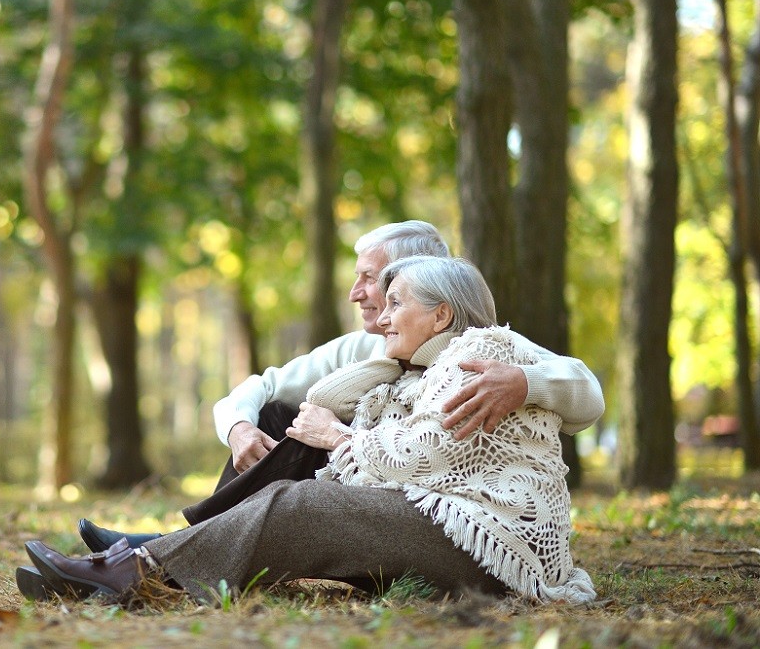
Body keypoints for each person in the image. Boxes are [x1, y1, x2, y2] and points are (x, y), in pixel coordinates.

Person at [18, 256, 597, 605]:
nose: (380, 315)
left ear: (442, 315)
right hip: (448, 529)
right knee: (296, 490)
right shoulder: (405, 368)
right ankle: (141, 565)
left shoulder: (478, 351)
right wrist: (359, 398)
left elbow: (422, 453)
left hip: (493, 544)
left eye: (394, 301)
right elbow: (297, 405)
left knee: (296, 504)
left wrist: (340, 439)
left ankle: (130, 571)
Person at [74, 220, 604, 551]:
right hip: (382, 481)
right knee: (277, 413)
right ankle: (181, 547)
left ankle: (169, 552)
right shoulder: (360, 352)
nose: (358, 294)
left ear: (424, 290)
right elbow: (262, 386)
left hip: (428, 497)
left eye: (374, 280)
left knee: (296, 488)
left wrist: (524, 382)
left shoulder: (483, 349)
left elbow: (586, 391)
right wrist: (238, 428)